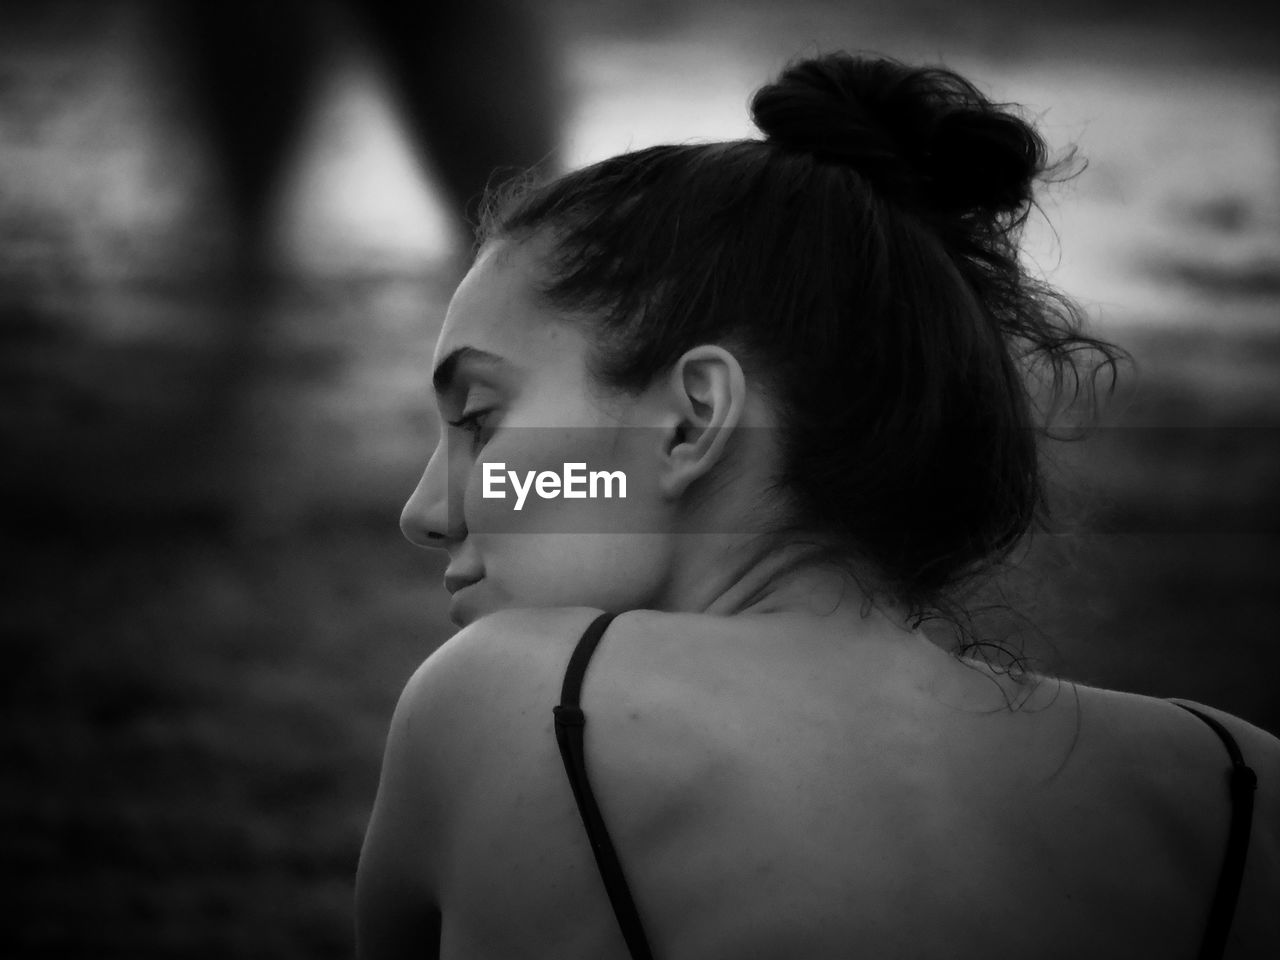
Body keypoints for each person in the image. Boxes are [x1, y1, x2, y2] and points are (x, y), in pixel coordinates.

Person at [357, 53, 1280, 959]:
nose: (427, 511)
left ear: (690, 423)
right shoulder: (1238, 783)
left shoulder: (508, 701)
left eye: (480, 419)